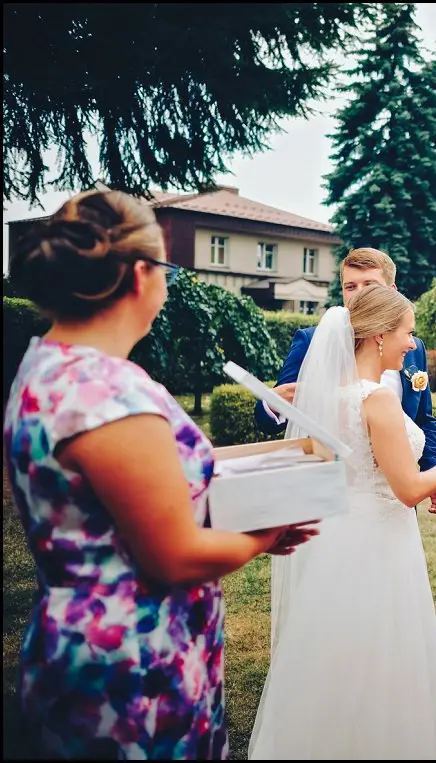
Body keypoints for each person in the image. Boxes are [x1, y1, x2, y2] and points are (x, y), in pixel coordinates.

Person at [3, 190, 317, 759]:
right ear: (143, 275)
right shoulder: (109, 395)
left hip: (79, 634)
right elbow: (174, 553)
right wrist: (262, 536)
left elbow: (151, 486)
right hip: (131, 658)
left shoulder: (47, 364)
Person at [247, 285, 436, 759]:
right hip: (379, 539)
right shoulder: (378, 401)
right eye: (407, 333)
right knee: (382, 647)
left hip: (339, 535)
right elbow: (409, 488)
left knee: (332, 642)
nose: (412, 344)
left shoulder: (328, 396)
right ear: (378, 336)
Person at [253, 247, 436, 510]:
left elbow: (422, 418)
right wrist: (271, 404)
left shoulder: (412, 347)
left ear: (392, 291)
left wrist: (433, 473)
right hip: (333, 496)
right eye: (350, 286)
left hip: (395, 499)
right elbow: (276, 413)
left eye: (369, 285)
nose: (358, 295)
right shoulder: (314, 341)